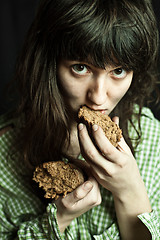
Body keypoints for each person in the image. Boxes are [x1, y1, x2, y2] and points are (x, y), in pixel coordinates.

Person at [0, 0, 159, 239]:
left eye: (118, 71)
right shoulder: (4, 153)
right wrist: (59, 219)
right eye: (81, 68)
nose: (98, 96)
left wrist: (129, 190)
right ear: (49, 63)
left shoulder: (152, 140)